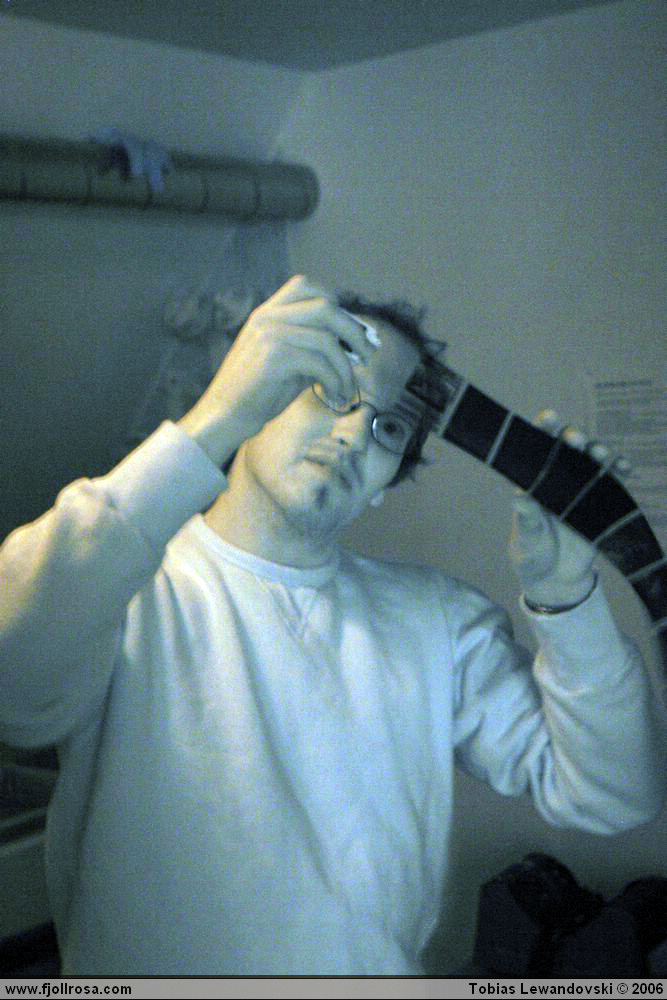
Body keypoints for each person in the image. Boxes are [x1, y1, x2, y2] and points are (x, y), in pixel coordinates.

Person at [0, 275, 663, 975]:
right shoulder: (122, 587)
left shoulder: (438, 623)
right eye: (328, 387)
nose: (353, 434)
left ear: (385, 484)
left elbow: (615, 795)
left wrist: (566, 596)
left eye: (389, 427)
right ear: (259, 387)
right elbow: (14, 686)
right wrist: (215, 418)